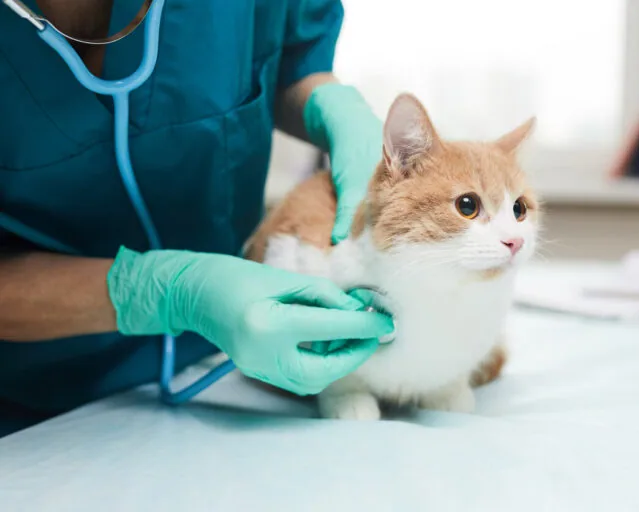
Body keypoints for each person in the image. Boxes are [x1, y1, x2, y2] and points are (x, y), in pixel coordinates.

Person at [0, 0, 394, 437]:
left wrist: (330, 103)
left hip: (231, 366)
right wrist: (171, 293)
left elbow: (289, 56)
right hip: (31, 410)